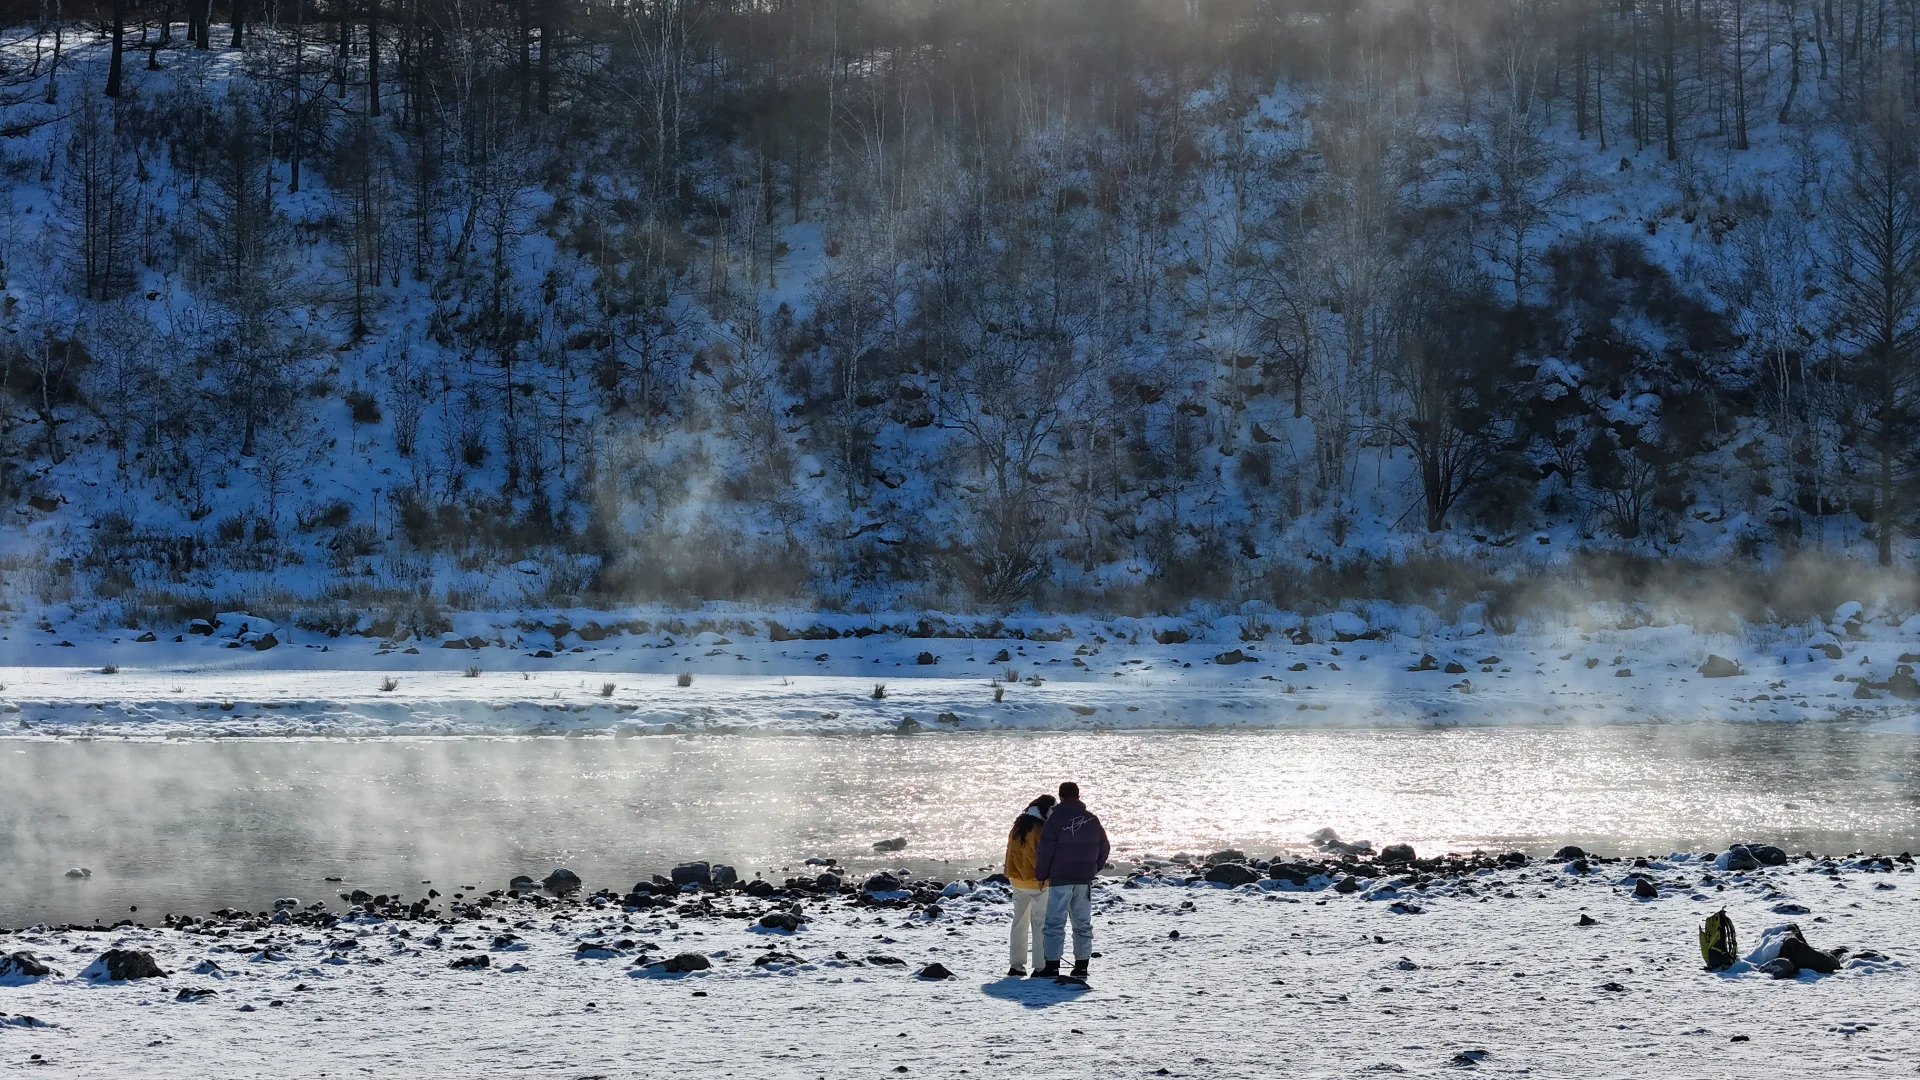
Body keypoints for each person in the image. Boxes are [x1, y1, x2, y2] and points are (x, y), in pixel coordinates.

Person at [1033, 780, 1109, 979]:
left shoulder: (1054, 820)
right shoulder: (1092, 819)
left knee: (1054, 923)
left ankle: (1052, 966)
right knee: (1082, 923)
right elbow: (1104, 847)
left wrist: (1041, 875)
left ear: (1060, 796)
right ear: (1078, 795)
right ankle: (1082, 966)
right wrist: (1093, 868)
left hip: (1060, 879)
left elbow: (1045, 851)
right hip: (1083, 880)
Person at [1001, 794, 1056, 977]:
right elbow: (1042, 857)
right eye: (1053, 808)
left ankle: (1016, 965)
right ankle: (1040, 966)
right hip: (1038, 882)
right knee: (1040, 924)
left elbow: (1011, 854)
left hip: (1017, 881)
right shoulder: (1041, 829)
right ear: (1045, 809)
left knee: (1019, 922)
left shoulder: (1018, 826)